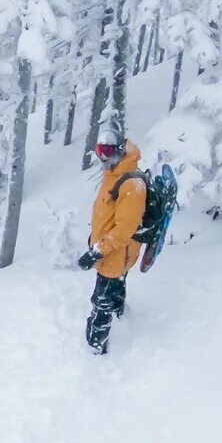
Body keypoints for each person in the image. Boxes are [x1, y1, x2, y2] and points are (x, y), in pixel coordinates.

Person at [76, 133, 147, 354]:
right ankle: (119, 313)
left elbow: (124, 229)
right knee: (116, 285)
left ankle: (95, 346)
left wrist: (98, 251)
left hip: (115, 252)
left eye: (107, 152)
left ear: (119, 150)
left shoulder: (131, 185)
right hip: (111, 249)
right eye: (99, 151)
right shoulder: (114, 174)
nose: (102, 158)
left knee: (101, 299)